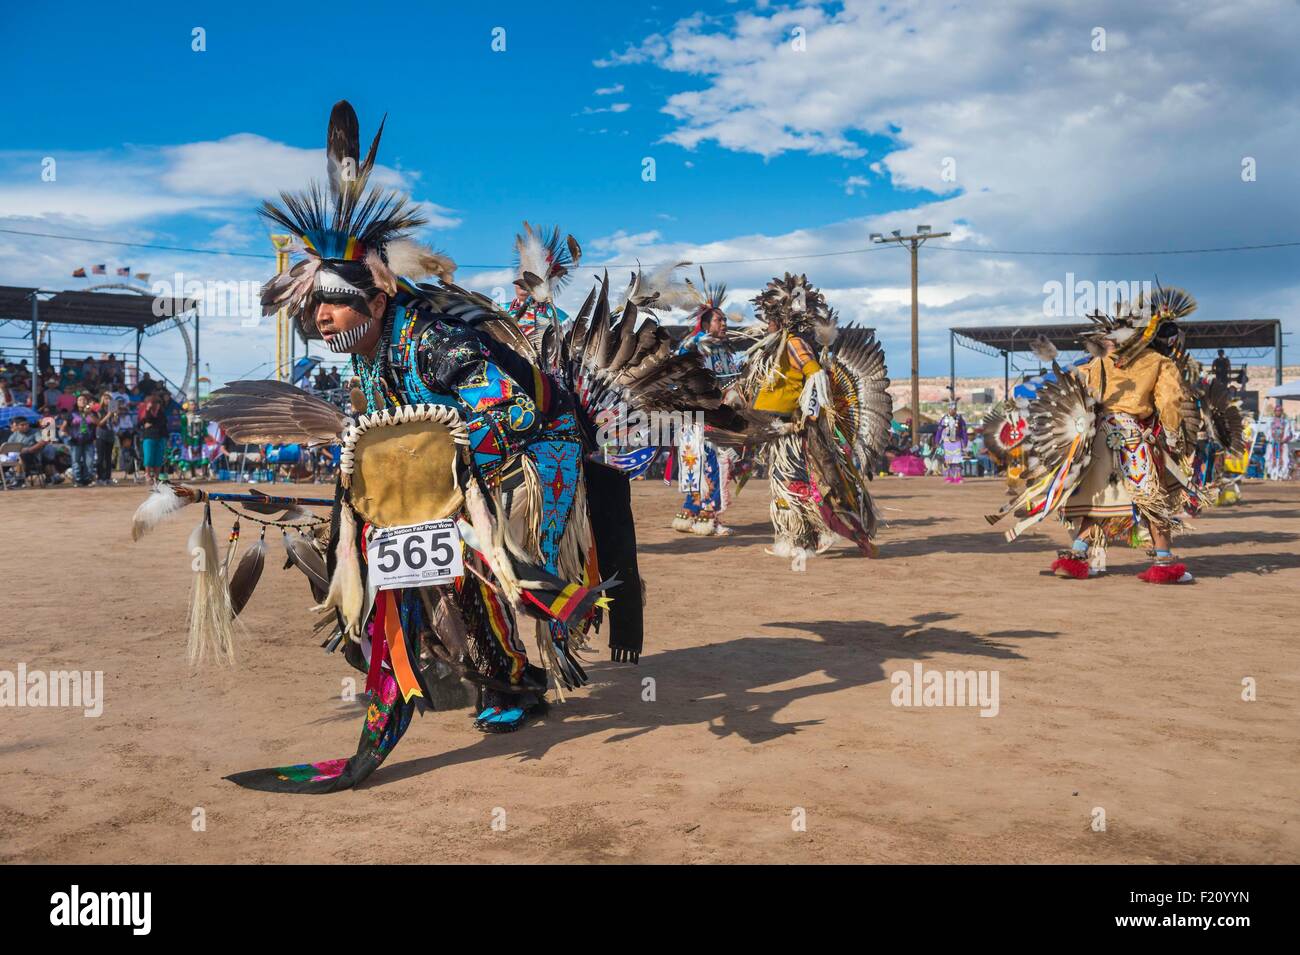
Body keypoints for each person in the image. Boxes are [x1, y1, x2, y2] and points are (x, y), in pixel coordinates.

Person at [147, 100, 732, 794]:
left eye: (330, 301)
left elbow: (511, 410)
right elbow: (389, 430)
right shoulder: (365, 356)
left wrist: (440, 462)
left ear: (373, 295)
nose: (319, 316)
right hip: (459, 469)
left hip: (538, 449)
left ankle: (534, 644)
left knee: (484, 558)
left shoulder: (431, 338)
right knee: (414, 567)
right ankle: (506, 676)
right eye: (312, 308)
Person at [988, 288, 1200, 583]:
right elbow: (1171, 402)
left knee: (1098, 500)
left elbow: (1079, 392)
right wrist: (1175, 437)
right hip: (1133, 439)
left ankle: (1076, 556)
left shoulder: (1099, 362)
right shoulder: (1159, 362)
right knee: (1152, 498)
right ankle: (1164, 564)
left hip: (1098, 437)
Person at [739, 272, 892, 571]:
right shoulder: (774, 348)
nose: (765, 323)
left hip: (792, 431)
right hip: (779, 429)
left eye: (770, 317)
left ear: (781, 319)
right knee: (793, 485)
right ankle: (805, 536)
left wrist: (808, 416)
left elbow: (815, 375)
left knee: (794, 485)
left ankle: (803, 538)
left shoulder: (794, 343)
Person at [671, 272, 746, 536]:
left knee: (706, 461)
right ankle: (704, 513)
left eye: (725, 319)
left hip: (717, 414)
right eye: (719, 319)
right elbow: (678, 360)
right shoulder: (695, 344)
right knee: (701, 461)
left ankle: (697, 511)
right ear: (705, 323)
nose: (724, 323)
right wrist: (696, 342)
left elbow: (733, 380)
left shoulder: (725, 349)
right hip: (698, 415)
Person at [5, 416, 60, 486]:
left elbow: (42, 442)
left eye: (26, 424)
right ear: (17, 426)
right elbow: (8, 447)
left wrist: (29, 449)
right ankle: (7, 479)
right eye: (22, 425)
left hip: (33, 457)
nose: (25, 426)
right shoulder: (14, 435)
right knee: (13, 457)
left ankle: (19, 479)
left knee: (22, 455)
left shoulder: (34, 432)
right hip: (16, 457)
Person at [60, 393, 97, 486]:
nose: (82, 401)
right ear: (76, 402)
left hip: (89, 440)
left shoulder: (92, 413)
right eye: (80, 400)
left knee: (89, 462)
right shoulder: (71, 414)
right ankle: (77, 480)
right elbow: (63, 427)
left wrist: (89, 413)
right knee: (76, 461)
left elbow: (97, 423)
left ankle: (87, 479)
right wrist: (69, 436)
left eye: (84, 400)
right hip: (75, 441)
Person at [935, 401, 969, 483]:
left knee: (957, 460)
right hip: (947, 442)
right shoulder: (944, 419)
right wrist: (937, 440)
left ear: (956, 409)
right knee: (948, 460)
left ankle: (958, 477)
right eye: (951, 409)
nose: (952, 410)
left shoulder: (960, 419)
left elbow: (964, 431)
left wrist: (965, 441)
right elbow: (939, 430)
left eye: (954, 409)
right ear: (948, 409)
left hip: (957, 442)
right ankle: (949, 477)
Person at [138, 392, 167, 483]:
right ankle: (147, 474)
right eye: (155, 403)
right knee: (148, 457)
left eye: (158, 403)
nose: (156, 405)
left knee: (158, 458)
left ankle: (156, 476)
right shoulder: (146, 412)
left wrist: (151, 424)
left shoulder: (161, 413)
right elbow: (142, 422)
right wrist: (147, 410)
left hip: (160, 437)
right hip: (149, 437)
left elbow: (162, 423)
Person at [94, 392, 118, 485]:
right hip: (101, 435)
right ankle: (100, 477)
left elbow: (115, 423)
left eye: (109, 399)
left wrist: (115, 415)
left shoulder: (112, 409)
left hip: (110, 435)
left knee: (108, 458)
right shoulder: (99, 410)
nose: (107, 400)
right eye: (106, 399)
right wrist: (109, 414)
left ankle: (108, 478)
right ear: (102, 400)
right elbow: (100, 423)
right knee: (100, 458)